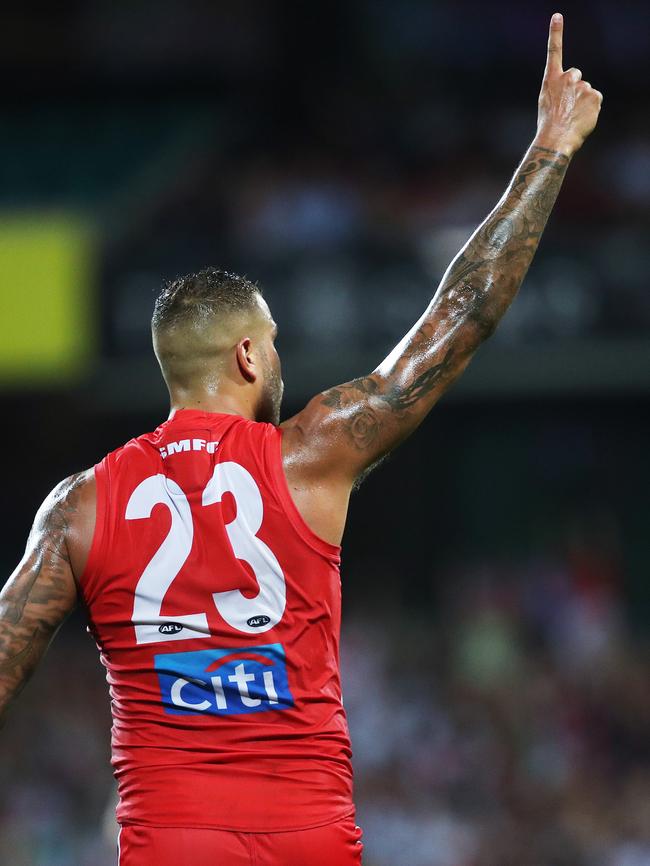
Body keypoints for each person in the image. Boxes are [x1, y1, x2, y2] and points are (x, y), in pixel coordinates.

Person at [0, 14, 601, 866]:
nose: (279, 355)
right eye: (274, 339)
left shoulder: (80, 506)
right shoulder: (310, 453)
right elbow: (459, 317)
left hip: (171, 843)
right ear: (247, 354)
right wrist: (550, 149)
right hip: (306, 837)